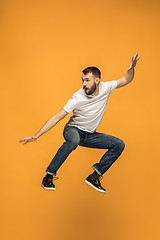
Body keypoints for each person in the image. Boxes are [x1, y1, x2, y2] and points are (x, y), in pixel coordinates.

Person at [19, 53, 141, 193]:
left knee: (119, 144)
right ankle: (49, 176)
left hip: (90, 135)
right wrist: (37, 135)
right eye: (82, 80)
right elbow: (57, 117)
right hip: (73, 130)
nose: (84, 84)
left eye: (87, 80)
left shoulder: (106, 87)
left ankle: (94, 177)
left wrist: (131, 69)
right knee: (74, 140)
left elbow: (126, 79)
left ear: (97, 80)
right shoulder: (78, 97)